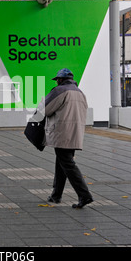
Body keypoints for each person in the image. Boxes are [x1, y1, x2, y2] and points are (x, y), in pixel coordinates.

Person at [38, 68, 93, 209]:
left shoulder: (59, 91)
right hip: (75, 133)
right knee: (62, 163)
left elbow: (44, 109)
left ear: (60, 80)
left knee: (67, 164)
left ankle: (84, 195)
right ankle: (56, 195)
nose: (56, 82)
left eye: (57, 80)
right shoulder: (80, 93)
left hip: (62, 133)